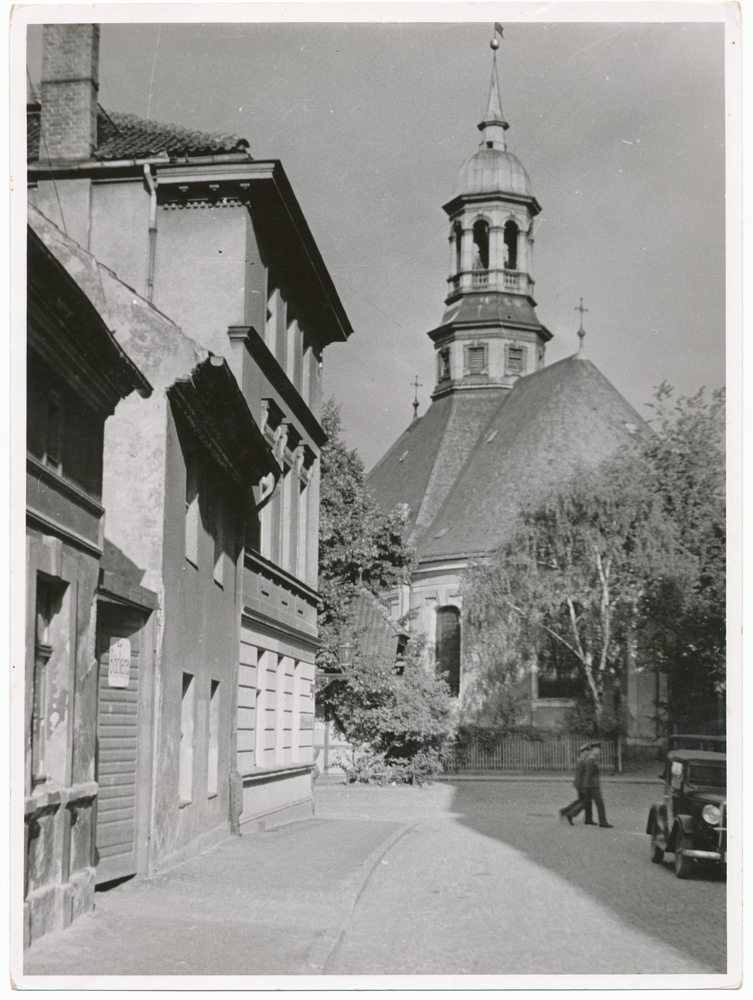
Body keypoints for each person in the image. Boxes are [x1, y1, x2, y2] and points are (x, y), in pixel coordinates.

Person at [559, 744, 595, 825]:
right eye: (586, 751)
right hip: (581, 785)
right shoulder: (582, 761)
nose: (588, 752)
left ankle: (565, 811)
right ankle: (570, 814)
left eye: (588, 751)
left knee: (582, 801)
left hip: (582, 784)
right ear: (582, 752)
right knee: (585, 801)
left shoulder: (584, 760)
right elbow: (579, 775)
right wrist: (580, 786)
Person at [580, 743, 613, 828]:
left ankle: (588, 819)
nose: (599, 751)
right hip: (593, 786)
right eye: (598, 749)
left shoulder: (591, 759)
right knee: (600, 804)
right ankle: (603, 822)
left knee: (588, 803)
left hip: (589, 786)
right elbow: (588, 774)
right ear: (593, 750)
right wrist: (586, 787)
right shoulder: (592, 760)